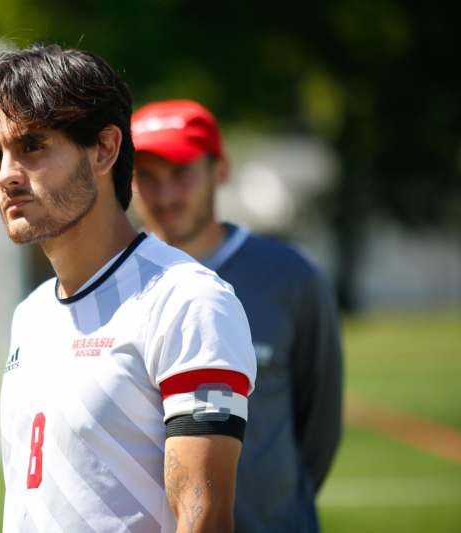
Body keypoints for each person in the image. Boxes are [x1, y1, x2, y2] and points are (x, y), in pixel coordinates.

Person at [0, 44, 256, 532]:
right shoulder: (29, 314)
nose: (6, 174)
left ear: (105, 149)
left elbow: (205, 519)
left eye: (32, 146)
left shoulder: (187, 300)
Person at [130, 99, 343, 532]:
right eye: (146, 177)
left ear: (220, 170)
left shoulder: (291, 277)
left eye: (182, 173)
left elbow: (318, 425)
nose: (166, 195)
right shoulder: (115, 283)